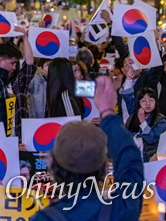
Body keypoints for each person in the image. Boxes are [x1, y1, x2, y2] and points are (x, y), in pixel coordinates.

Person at [31, 76, 144, 220]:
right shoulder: (123, 210)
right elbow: (130, 159)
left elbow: (130, 159)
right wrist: (108, 112)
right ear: (105, 169)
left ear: (51, 163)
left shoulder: (43, 218)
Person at [126, 87, 166, 162]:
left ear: (156, 102)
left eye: (151, 100)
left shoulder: (161, 120)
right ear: (138, 103)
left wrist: (143, 122)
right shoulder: (132, 118)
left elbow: (152, 140)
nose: (148, 103)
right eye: (143, 101)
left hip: (151, 159)